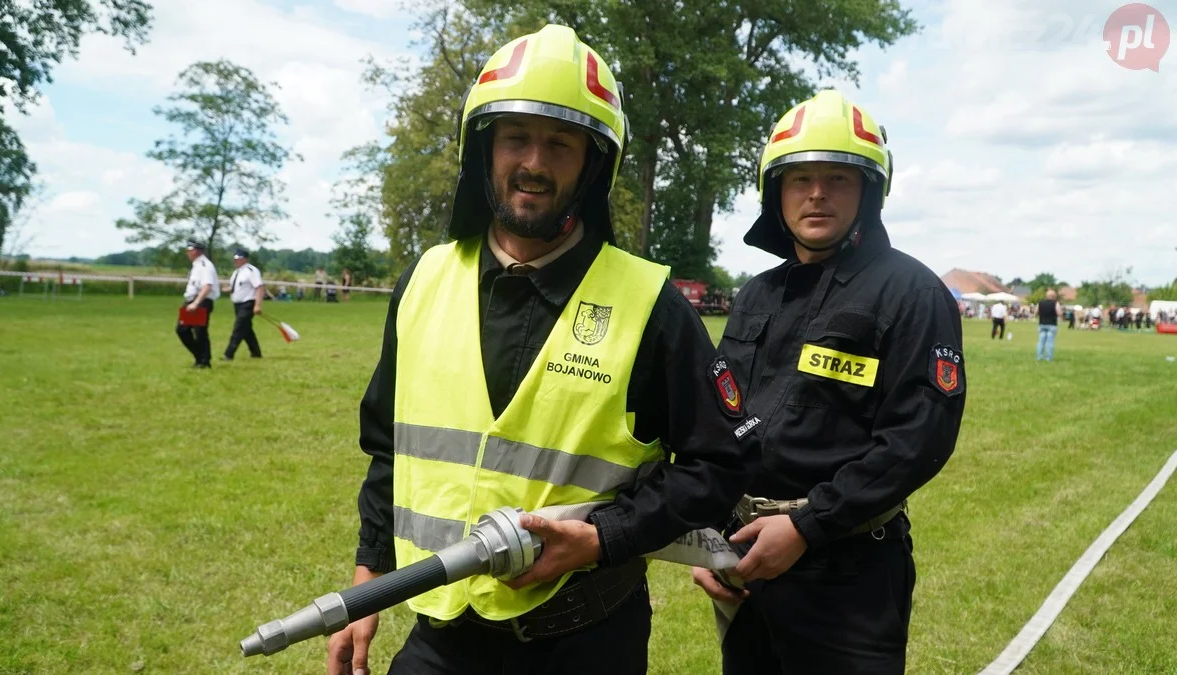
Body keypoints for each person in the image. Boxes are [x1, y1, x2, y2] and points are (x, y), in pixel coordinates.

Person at [326, 24, 752, 675]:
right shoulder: (423, 282)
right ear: (484, 149)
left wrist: (599, 538)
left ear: (591, 165)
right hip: (440, 641)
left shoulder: (651, 306)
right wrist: (368, 581)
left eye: (560, 143)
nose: (533, 162)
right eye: (516, 137)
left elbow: (715, 466)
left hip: (585, 640)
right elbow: (390, 447)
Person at [691, 90, 967, 674]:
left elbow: (918, 439)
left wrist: (807, 525)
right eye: (800, 178)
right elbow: (718, 421)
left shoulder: (911, 293)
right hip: (745, 559)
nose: (817, 193)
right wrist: (706, 534)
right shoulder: (756, 295)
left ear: (869, 191)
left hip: (849, 573)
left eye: (838, 178)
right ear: (777, 192)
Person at [177, 240, 220, 368]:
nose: (188, 253)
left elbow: (207, 286)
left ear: (197, 250)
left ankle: (204, 360)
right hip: (193, 300)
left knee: (199, 332)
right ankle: (200, 356)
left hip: (200, 301)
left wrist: (196, 303)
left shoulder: (204, 265)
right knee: (182, 330)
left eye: (190, 250)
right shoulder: (196, 265)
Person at [223, 248, 264, 361]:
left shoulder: (251, 271)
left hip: (248, 303)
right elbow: (238, 286)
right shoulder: (237, 272)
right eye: (235, 259)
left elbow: (259, 287)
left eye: (238, 259)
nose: (236, 261)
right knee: (246, 330)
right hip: (237, 305)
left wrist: (258, 305)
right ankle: (256, 353)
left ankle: (228, 354)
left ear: (245, 259)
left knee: (238, 328)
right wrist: (227, 289)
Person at [1035, 289, 1060, 361]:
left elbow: (1036, 312)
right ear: (1054, 296)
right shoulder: (1055, 303)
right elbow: (1059, 313)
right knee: (1050, 342)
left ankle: (1039, 357)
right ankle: (1049, 358)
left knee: (1041, 341)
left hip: (1042, 324)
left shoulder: (1040, 303)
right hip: (1052, 324)